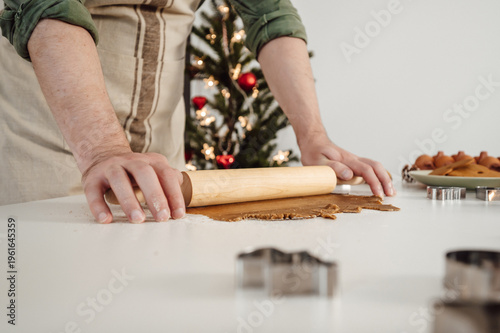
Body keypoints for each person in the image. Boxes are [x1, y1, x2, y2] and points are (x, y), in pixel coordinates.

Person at [0, 0, 394, 223]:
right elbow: (43, 6)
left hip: (162, 168)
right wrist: (102, 150)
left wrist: (313, 136)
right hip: (54, 149)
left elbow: (269, 15)